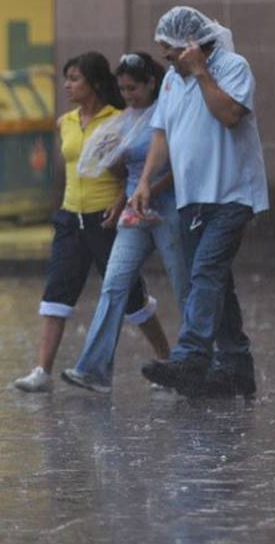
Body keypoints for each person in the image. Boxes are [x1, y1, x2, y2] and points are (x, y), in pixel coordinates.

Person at [131, 6, 269, 398]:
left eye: (170, 52)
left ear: (190, 46)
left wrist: (201, 72)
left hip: (231, 193)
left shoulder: (232, 67)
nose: (166, 61)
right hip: (192, 198)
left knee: (206, 272)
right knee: (215, 282)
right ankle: (236, 366)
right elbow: (161, 135)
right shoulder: (172, 83)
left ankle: (192, 355)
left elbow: (229, 115)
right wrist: (145, 182)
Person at [12, 52, 166, 393]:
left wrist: (119, 201)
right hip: (70, 216)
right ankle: (42, 370)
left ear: (95, 83)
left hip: (106, 218)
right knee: (56, 291)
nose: (67, 85)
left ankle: (166, 358)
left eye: (75, 79)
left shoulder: (119, 119)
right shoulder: (64, 122)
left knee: (130, 296)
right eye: (66, 78)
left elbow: (129, 171)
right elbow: (67, 169)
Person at [61, 52, 186, 394]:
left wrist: (149, 189)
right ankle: (95, 369)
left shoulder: (167, 115)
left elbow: (180, 167)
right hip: (134, 210)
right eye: (123, 89)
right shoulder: (125, 120)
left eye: (133, 88)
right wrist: (111, 155)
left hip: (167, 207)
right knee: (114, 283)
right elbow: (120, 171)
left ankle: (194, 360)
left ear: (151, 84)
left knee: (183, 283)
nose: (128, 95)